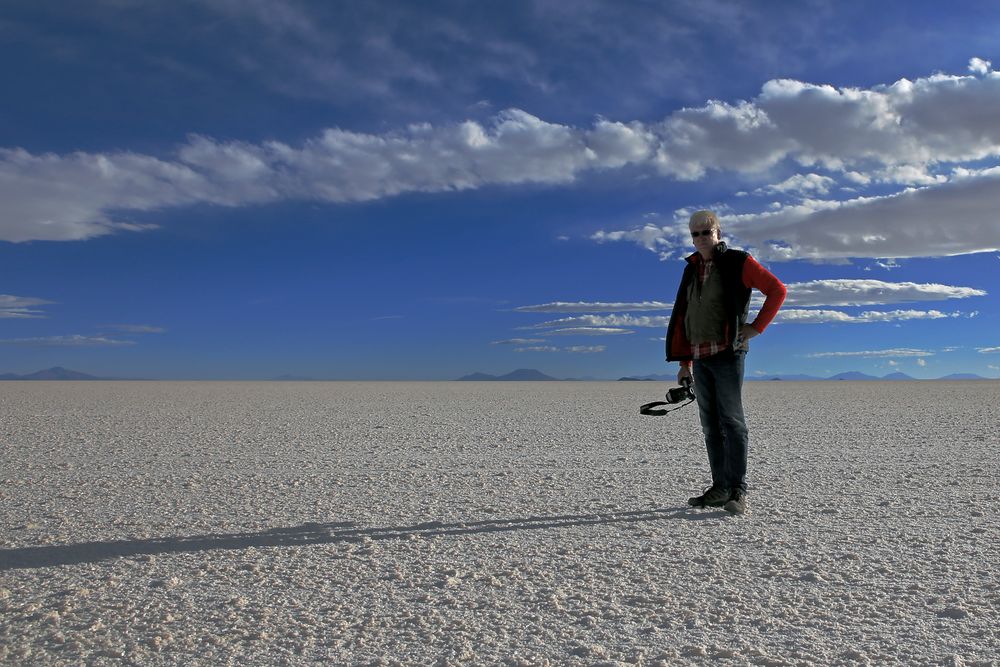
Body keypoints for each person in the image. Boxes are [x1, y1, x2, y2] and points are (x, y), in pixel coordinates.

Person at [665, 210, 786, 515]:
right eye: (695, 234)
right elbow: (685, 316)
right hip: (699, 357)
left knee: (732, 423)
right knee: (710, 426)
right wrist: (684, 363)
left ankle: (737, 490)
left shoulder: (738, 262)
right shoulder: (691, 269)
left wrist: (756, 328)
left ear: (718, 232)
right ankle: (719, 488)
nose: (700, 238)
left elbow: (777, 290)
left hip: (727, 354)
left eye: (706, 232)